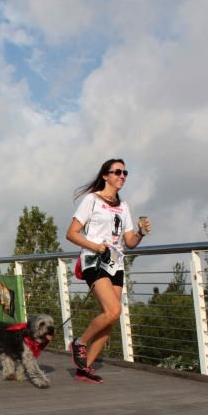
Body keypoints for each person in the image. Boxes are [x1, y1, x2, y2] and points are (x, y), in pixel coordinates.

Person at [66, 159, 151, 383]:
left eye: (125, 172)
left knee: (112, 318)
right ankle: (80, 343)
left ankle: (85, 368)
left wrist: (141, 232)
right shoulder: (91, 200)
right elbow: (72, 233)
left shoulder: (124, 207)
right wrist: (95, 246)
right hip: (94, 260)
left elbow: (129, 241)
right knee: (112, 310)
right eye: (118, 172)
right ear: (105, 175)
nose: (122, 176)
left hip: (116, 263)